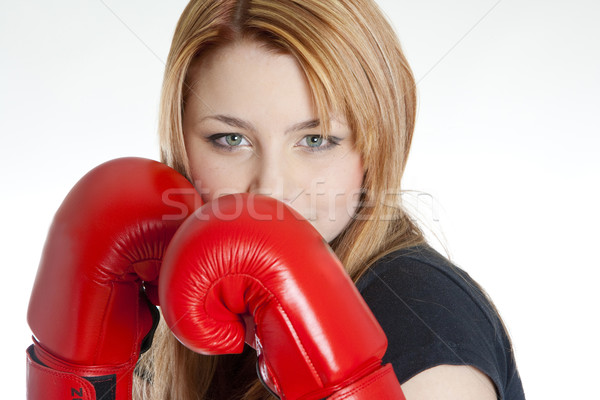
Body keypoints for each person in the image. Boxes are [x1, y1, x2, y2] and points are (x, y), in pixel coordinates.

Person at [26, 0, 525, 399]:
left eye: (315, 140)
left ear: (374, 147)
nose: (271, 189)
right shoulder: (178, 295)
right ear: (180, 142)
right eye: (229, 139)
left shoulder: (425, 314)